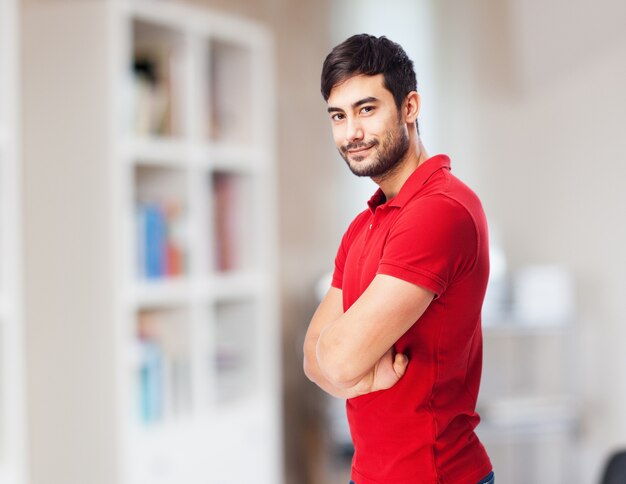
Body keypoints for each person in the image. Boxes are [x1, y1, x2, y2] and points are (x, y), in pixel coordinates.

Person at [303, 34, 494, 484]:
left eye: (367, 109)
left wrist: (347, 367)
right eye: (339, 115)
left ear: (410, 107)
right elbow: (314, 359)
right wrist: (362, 378)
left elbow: (339, 358)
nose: (351, 132)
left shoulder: (439, 211)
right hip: (368, 474)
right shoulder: (364, 225)